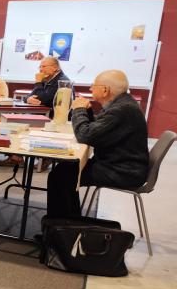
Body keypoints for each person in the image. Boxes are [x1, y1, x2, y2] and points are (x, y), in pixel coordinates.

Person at [46, 70, 149, 219]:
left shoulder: (121, 110)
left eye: (93, 85)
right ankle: (68, 224)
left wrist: (79, 109)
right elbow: (99, 128)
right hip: (120, 164)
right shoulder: (122, 104)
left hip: (123, 171)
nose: (90, 88)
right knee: (64, 171)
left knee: (60, 176)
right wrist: (87, 112)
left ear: (105, 90)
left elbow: (84, 135)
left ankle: (61, 232)